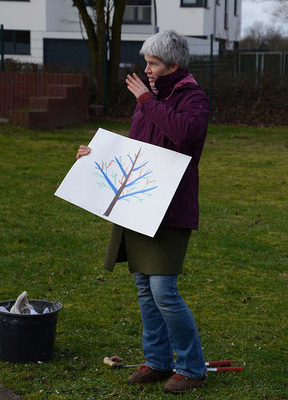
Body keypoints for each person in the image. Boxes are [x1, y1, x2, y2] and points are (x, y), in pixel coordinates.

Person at [76, 29, 210, 394]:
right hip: (139, 203)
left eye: (153, 64)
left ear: (173, 65)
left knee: (164, 289)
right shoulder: (150, 99)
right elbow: (136, 150)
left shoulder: (193, 98)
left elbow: (182, 133)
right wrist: (94, 156)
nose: (147, 70)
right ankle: (158, 361)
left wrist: (147, 100)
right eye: (146, 63)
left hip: (172, 206)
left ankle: (193, 367)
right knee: (144, 288)